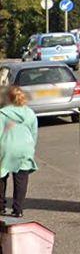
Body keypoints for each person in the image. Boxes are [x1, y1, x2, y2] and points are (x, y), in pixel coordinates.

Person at [0, 86, 39, 218]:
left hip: (6, 148)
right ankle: (18, 209)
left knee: (1, 176)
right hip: (25, 148)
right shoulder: (30, 113)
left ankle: (1, 207)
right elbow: (34, 133)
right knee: (21, 179)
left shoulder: (3, 113)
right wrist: (31, 148)